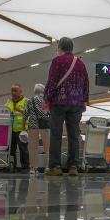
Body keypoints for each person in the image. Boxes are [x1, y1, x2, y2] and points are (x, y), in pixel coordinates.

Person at [43, 37, 89, 176]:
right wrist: (84, 100)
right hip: (76, 103)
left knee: (56, 134)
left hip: (59, 101)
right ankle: (73, 166)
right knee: (74, 135)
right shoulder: (80, 63)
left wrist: (47, 98)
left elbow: (52, 81)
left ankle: (55, 166)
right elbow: (86, 83)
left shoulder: (57, 61)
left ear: (60, 48)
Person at [5, 83, 29, 172]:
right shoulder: (9, 102)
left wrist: (21, 110)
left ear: (20, 91)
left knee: (23, 149)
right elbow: (4, 112)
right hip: (10, 130)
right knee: (10, 150)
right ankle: (11, 166)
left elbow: (30, 113)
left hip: (22, 130)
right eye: (12, 91)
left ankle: (25, 167)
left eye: (15, 91)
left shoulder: (26, 101)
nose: (13, 93)